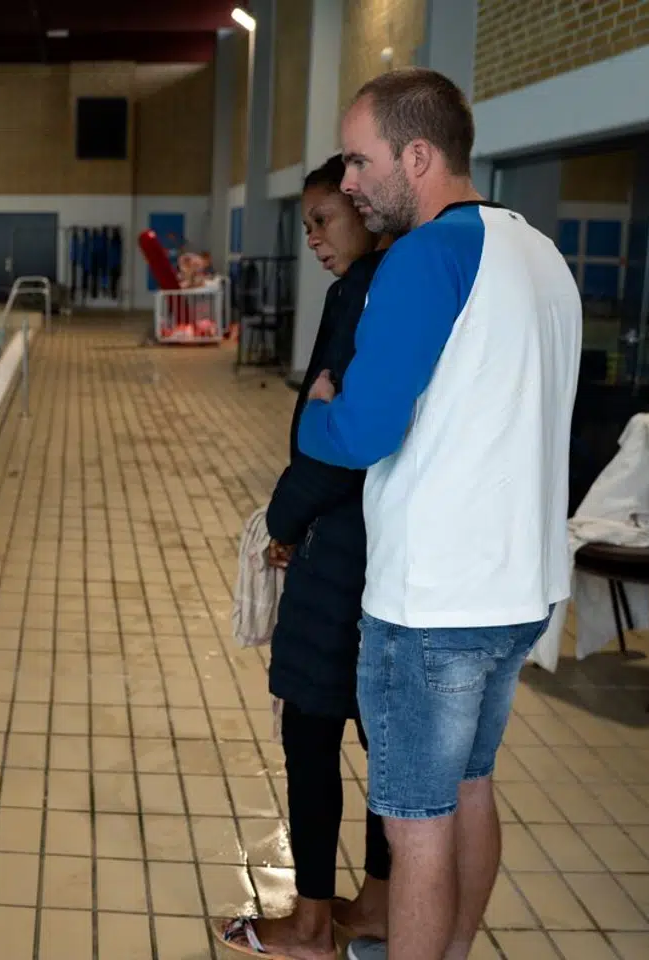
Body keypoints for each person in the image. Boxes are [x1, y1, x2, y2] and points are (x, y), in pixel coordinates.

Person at [297, 68, 582, 960]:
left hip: (435, 601)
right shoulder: (540, 254)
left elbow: (362, 431)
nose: (348, 182)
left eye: (359, 160)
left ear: (417, 156)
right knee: (470, 788)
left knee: (415, 823)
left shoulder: (424, 257)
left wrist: (315, 412)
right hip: (521, 588)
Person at [218, 155, 393, 960]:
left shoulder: (367, 291)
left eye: (325, 220)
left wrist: (284, 522)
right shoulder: (377, 287)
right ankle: (379, 904)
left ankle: (312, 926)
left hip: (341, 545)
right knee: (379, 736)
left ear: (365, 208)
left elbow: (345, 439)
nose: (315, 238)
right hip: (375, 544)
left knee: (311, 732)